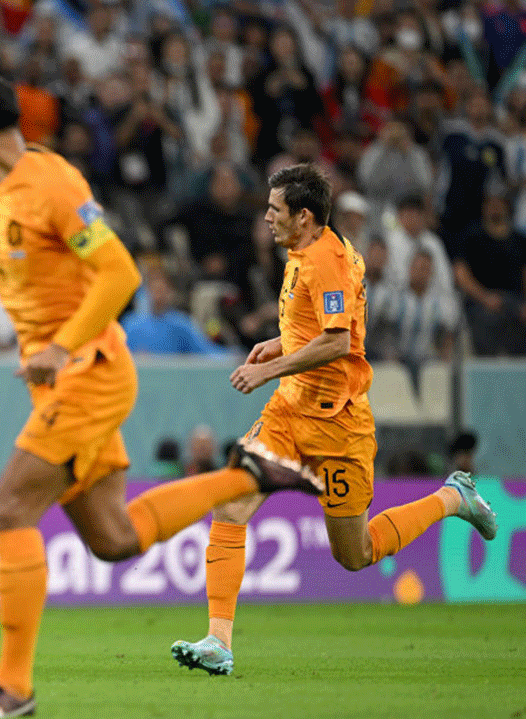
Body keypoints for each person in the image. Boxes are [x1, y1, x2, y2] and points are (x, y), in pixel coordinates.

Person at [0, 76, 324, 719]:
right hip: (63, 381)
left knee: (12, 509)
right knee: (113, 538)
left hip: (91, 370)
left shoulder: (55, 185)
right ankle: (242, 476)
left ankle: (13, 686)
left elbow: (120, 273)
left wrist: (62, 345)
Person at [168, 165, 497, 677]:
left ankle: (452, 498)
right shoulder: (311, 250)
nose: (267, 216)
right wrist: (278, 344)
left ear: (303, 216)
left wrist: (269, 368)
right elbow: (327, 326)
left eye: (275, 209)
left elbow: (339, 342)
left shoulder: (327, 261)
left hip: (339, 425)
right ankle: (218, 641)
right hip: (288, 413)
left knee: (356, 553)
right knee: (231, 507)